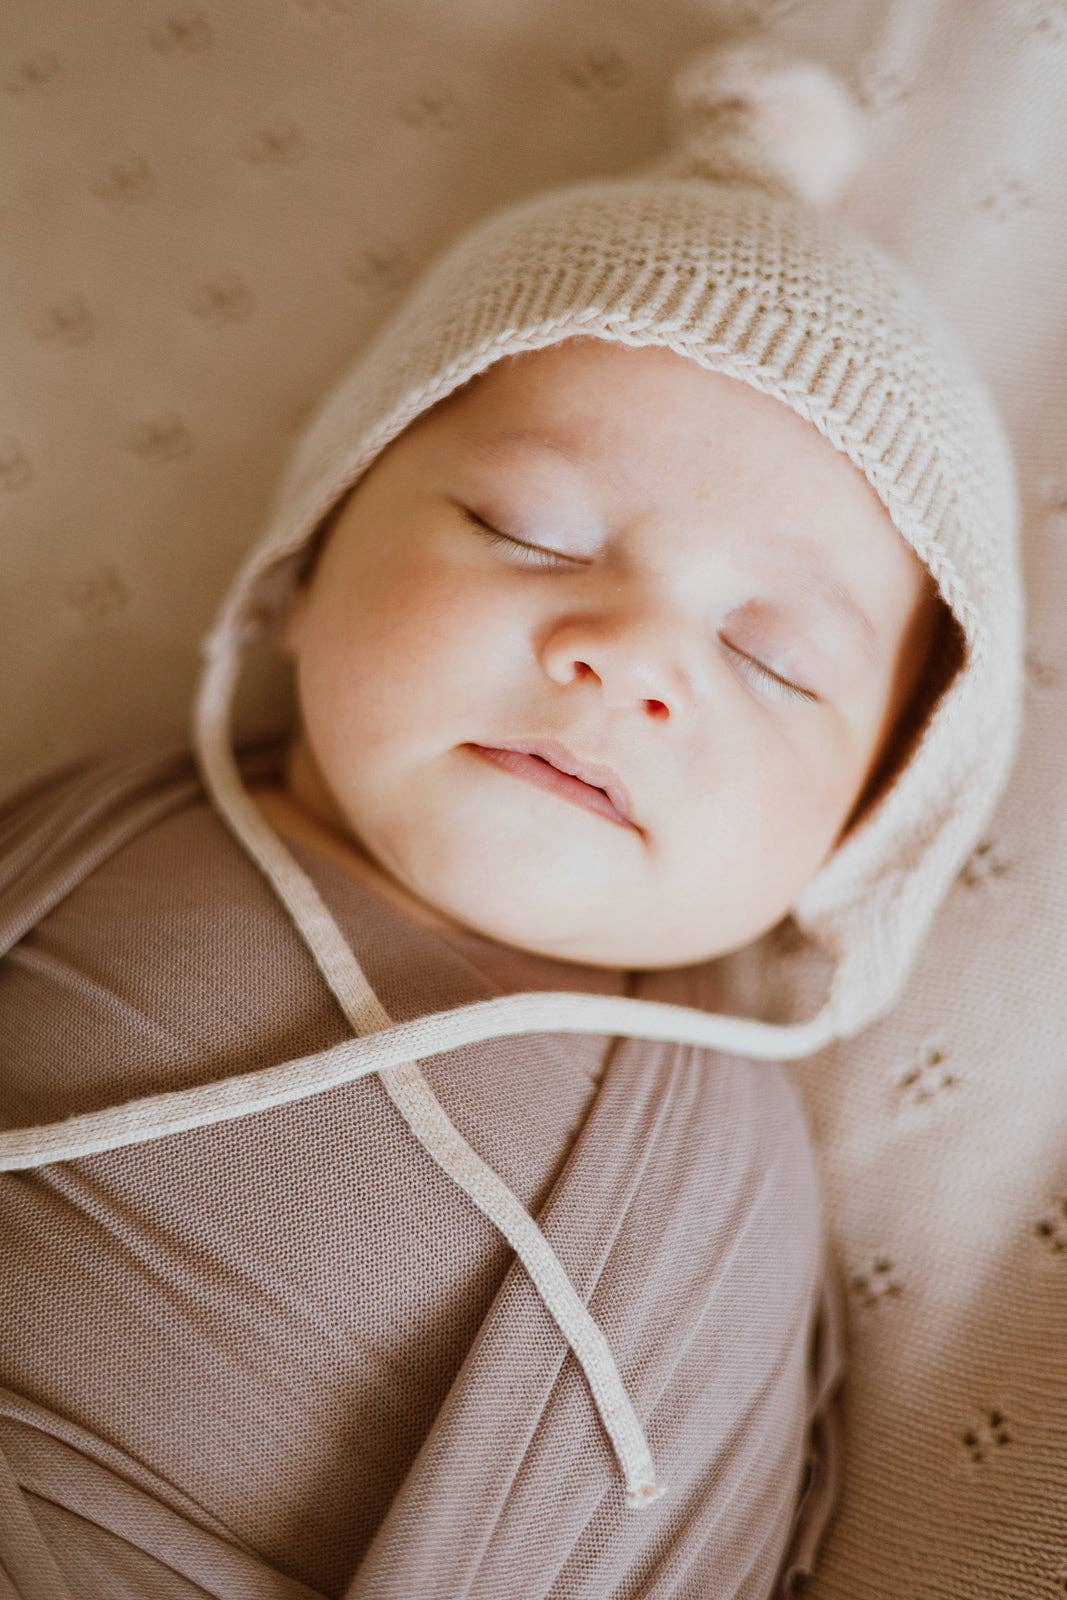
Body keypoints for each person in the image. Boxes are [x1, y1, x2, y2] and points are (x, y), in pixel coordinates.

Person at [0, 37, 1024, 1600]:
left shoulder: (705, 1176)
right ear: (309, 553)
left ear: (869, 824)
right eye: (525, 531)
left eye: (770, 659)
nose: (624, 655)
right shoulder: (83, 834)